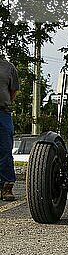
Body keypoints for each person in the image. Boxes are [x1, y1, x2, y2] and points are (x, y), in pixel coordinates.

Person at [0, 56, 19, 201]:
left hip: (3, 112)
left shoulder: (8, 67)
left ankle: (7, 186)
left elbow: (13, 92)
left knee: (6, 149)